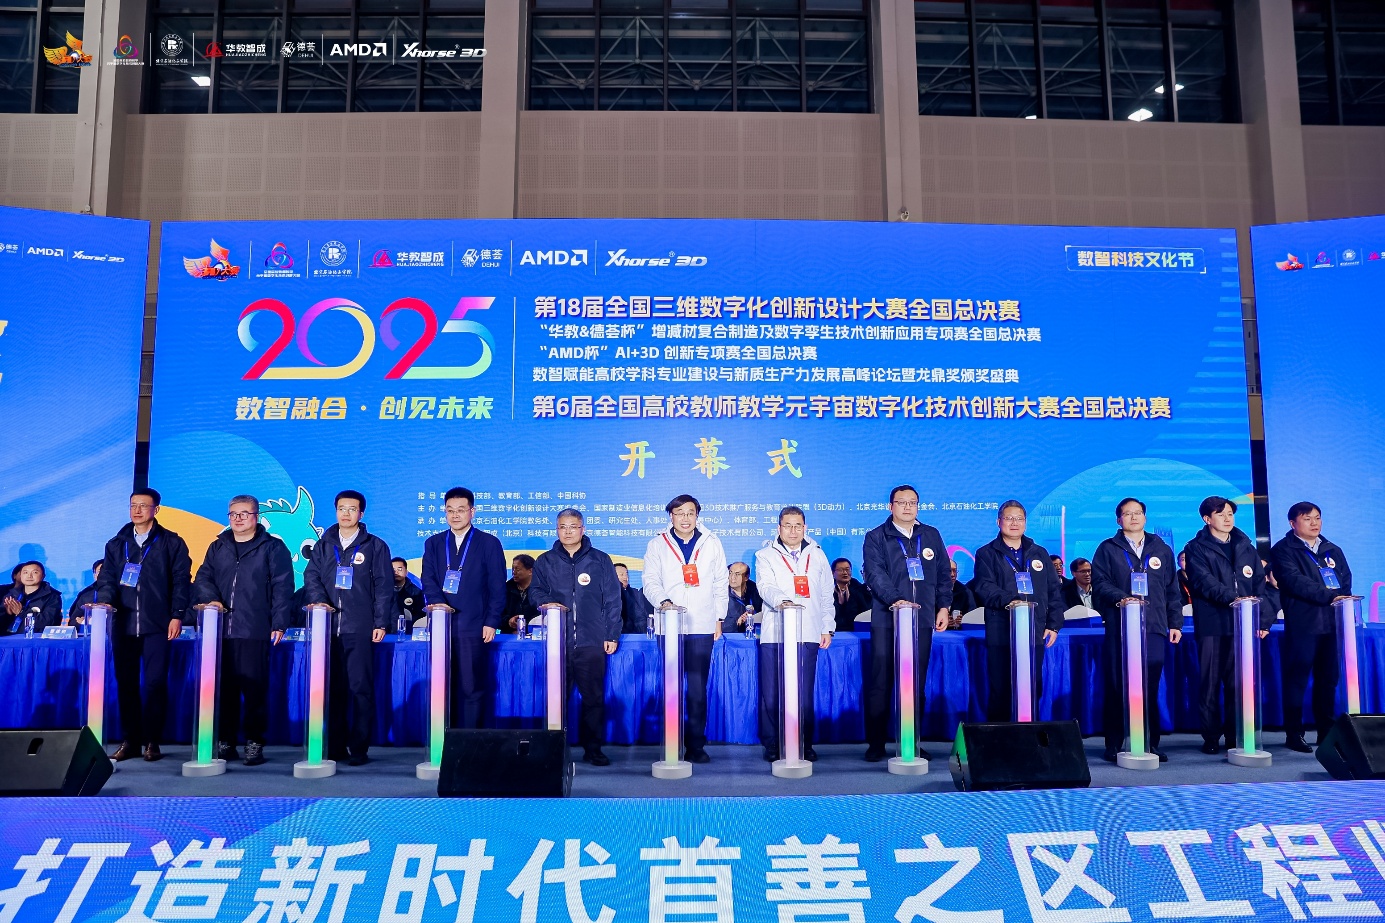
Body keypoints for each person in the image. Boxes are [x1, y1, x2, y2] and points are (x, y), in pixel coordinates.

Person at [192, 495, 294, 766]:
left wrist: (279, 622)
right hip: (219, 631)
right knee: (223, 689)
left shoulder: (273, 548)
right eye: (233, 514)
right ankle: (225, 740)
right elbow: (203, 578)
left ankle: (254, 741)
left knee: (254, 689)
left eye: (244, 513)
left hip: (254, 628)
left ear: (256, 517)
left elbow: (283, 587)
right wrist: (212, 599)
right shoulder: (218, 546)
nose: (238, 518)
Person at [95, 488, 192, 762]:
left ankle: (152, 740)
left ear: (156, 510)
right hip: (123, 624)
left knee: (155, 684)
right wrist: (105, 603)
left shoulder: (172, 542)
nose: (137, 510)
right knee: (126, 684)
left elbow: (181, 581)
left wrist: (177, 614)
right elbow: (107, 580)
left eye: (143, 505)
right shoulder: (116, 544)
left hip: (157, 624)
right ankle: (131, 740)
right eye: (133, 505)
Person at [303, 490, 393, 766]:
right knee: (333, 689)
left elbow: (384, 586)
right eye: (342, 508)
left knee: (360, 689)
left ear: (361, 514)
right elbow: (311, 576)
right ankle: (335, 746)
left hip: (359, 627)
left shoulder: (375, 546)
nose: (346, 513)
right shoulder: (323, 545)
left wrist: (380, 622)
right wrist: (320, 602)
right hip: (327, 629)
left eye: (352, 509)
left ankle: (359, 748)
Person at [862, 485, 951, 762]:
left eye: (913, 502)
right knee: (881, 683)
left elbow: (943, 574)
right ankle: (876, 743)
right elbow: (875, 574)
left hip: (921, 620)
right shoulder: (876, 536)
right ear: (891, 507)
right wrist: (897, 600)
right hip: (887, 619)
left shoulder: (931, 535)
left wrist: (944, 606)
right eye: (901, 502)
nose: (908, 507)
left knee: (915, 683)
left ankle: (912, 740)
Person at [1091, 497, 1182, 763]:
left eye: (1138, 512)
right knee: (1117, 685)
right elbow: (1100, 583)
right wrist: (1123, 598)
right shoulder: (1108, 548)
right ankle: (1114, 743)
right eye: (1128, 513)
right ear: (1118, 519)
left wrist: (1174, 623)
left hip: (1154, 625)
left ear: (1145, 517)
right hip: (1120, 625)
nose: (1134, 517)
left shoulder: (1161, 548)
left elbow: (1172, 589)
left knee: (1149, 686)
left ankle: (1150, 743)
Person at [529, 509, 623, 765]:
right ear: (556, 530)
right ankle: (554, 750)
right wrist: (547, 603)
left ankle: (593, 749)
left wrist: (612, 634)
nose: (568, 531)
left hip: (591, 641)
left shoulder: (600, 559)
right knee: (556, 698)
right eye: (562, 527)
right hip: (557, 643)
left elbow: (613, 599)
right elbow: (535, 591)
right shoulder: (545, 561)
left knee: (593, 698)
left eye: (573, 526)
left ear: (583, 529)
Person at [642, 494, 728, 764]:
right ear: (671, 516)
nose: (685, 518)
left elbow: (720, 582)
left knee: (697, 691)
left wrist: (719, 617)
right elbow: (650, 580)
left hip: (701, 625)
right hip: (669, 625)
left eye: (690, 513)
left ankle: (696, 746)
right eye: (679, 513)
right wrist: (664, 602)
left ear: (697, 516)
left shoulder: (712, 542)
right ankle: (671, 744)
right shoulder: (657, 543)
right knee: (672, 689)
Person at [1182, 496, 1269, 755]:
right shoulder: (1196, 548)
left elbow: (1259, 583)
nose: (1227, 518)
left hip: (1242, 624)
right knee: (1210, 682)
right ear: (1207, 519)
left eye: (1230, 513)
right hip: (1212, 622)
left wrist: (1259, 614)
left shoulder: (1245, 546)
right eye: (1220, 514)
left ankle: (1235, 735)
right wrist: (1235, 598)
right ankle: (1211, 736)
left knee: (1237, 684)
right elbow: (1203, 581)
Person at [1271, 501, 1353, 753]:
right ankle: (1294, 734)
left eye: (1317, 517)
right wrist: (1331, 596)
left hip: (1333, 624)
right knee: (1297, 680)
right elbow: (1294, 582)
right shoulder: (1283, 550)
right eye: (1307, 519)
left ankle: (1326, 734)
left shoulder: (1332, 549)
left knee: (1328, 681)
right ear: (1292, 523)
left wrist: (1339, 597)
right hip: (1304, 625)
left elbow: (1345, 580)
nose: (1314, 523)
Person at [421, 487, 506, 729]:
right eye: (450, 510)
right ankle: (444, 740)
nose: (455, 515)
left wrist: (491, 621)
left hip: (474, 626)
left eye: (461, 510)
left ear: (472, 511)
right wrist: (438, 606)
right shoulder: (434, 543)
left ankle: (469, 741)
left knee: (471, 686)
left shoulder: (488, 543)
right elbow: (428, 579)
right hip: (441, 626)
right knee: (442, 686)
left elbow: (497, 586)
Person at [754, 506, 834, 762]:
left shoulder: (817, 554)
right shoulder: (765, 554)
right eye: (787, 525)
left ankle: (803, 743)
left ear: (805, 528)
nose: (792, 530)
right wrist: (784, 601)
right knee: (772, 692)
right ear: (779, 528)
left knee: (803, 692)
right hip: (776, 633)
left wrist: (826, 626)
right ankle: (773, 744)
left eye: (797, 525)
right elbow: (765, 586)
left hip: (807, 631)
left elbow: (826, 594)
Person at [971, 501, 1064, 721]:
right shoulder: (986, 553)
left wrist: (1053, 624)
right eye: (1009, 518)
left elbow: (1053, 591)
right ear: (999, 521)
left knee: (1032, 685)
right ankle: (999, 737)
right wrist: (1012, 601)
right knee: (1001, 688)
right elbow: (984, 587)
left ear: (1025, 523)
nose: (1014, 523)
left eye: (1019, 518)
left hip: (1034, 631)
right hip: (1001, 631)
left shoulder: (1039, 553)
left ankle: (1029, 734)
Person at [4, 561, 64, 634]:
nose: (29, 576)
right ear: (20, 576)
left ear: (43, 576)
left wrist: (22, 612)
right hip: (8, 638)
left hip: (37, 639)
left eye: (35, 572)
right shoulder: (11, 594)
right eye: (25, 572)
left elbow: (48, 623)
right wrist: (7, 614)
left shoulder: (52, 597)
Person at [831, 558, 872, 634]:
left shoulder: (860, 590)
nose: (845, 573)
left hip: (855, 632)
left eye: (847, 569)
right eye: (841, 570)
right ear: (833, 573)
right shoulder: (827, 590)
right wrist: (840, 605)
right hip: (833, 631)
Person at [502, 554, 539, 633]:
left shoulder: (541, 590)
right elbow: (497, 614)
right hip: (509, 635)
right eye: (513, 569)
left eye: (517, 569)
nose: (514, 572)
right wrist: (509, 621)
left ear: (530, 571)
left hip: (534, 635)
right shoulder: (506, 588)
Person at [724, 561, 763, 635]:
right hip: (728, 636)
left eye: (737, 574)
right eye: (730, 573)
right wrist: (737, 622)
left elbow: (763, 615)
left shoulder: (757, 591)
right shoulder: (720, 592)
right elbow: (714, 623)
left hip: (753, 635)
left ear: (746, 577)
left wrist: (753, 616)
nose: (732, 577)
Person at [615, 563, 653, 635]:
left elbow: (640, 617)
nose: (625, 577)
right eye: (621, 574)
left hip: (635, 634)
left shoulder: (635, 593)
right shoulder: (609, 595)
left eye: (626, 574)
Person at [391, 557, 423, 631]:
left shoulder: (416, 592)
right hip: (385, 632)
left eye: (399, 569)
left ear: (406, 572)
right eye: (393, 570)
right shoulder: (382, 591)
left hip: (408, 631)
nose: (396, 572)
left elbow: (420, 615)